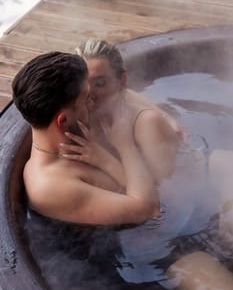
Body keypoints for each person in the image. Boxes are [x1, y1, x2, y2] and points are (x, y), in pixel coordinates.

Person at [12, 51, 160, 225]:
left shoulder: (68, 136)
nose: (93, 103)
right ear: (64, 120)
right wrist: (125, 145)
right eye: (87, 99)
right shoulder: (51, 186)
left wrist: (163, 114)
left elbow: (120, 91)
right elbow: (151, 210)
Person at [63, 39, 184, 184]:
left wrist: (105, 160)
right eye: (83, 84)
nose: (88, 93)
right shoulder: (77, 113)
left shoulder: (146, 124)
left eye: (99, 84)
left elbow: (163, 195)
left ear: (122, 81)